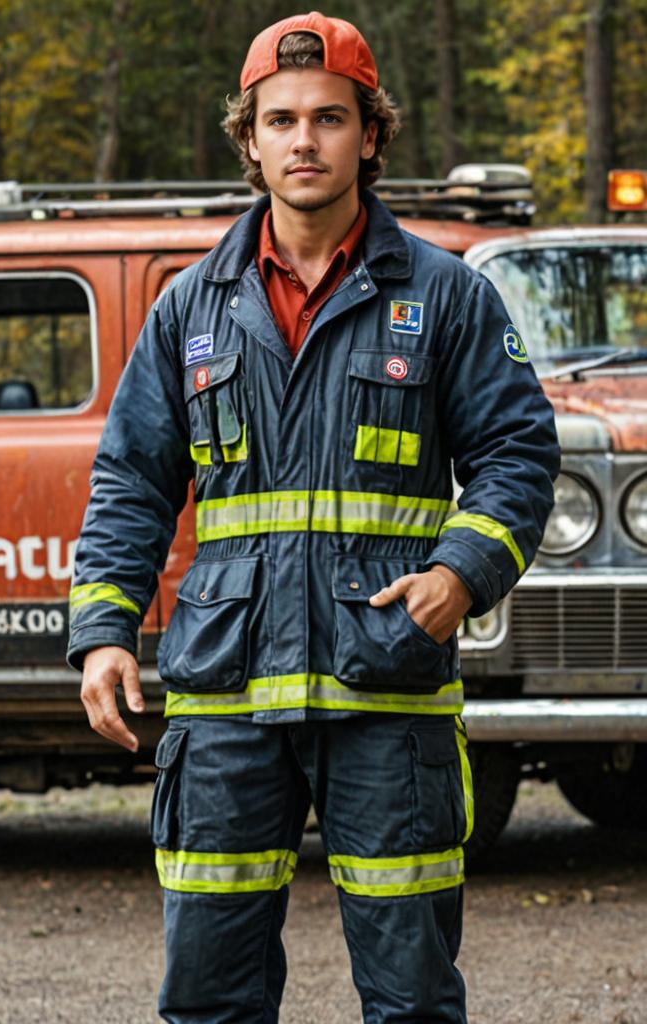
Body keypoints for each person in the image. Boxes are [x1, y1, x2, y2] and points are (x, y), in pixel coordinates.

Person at [68, 12, 559, 1023]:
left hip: (387, 683)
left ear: (370, 134)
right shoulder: (190, 306)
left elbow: (517, 457)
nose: (304, 141)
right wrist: (103, 633)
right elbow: (131, 481)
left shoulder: (447, 297)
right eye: (280, 119)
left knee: (414, 997)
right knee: (207, 996)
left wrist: (461, 571)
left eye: (329, 118)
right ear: (248, 138)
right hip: (225, 693)